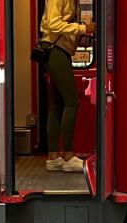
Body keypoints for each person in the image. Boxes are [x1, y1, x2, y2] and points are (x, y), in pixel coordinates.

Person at [40, 0, 94, 172]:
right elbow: (53, 23)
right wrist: (84, 29)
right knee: (72, 102)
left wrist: (80, 36)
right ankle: (69, 156)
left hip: (60, 50)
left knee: (57, 106)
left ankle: (53, 157)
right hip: (55, 50)